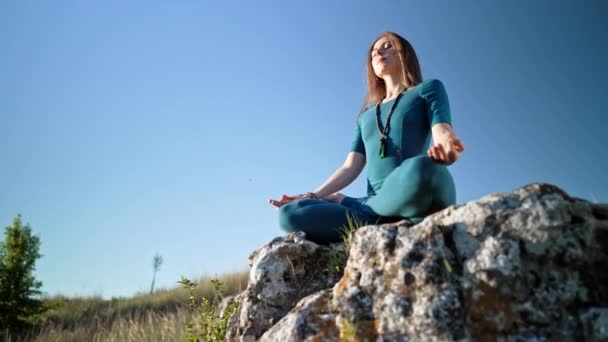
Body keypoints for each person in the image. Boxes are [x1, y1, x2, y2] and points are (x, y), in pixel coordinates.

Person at [268, 31, 465, 244]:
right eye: (373, 52)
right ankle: (379, 219)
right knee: (290, 212)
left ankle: (362, 212)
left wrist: (447, 147)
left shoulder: (427, 89)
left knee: (422, 169)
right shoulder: (366, 116)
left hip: (413, 184)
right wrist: (312, 195)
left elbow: (442, 129)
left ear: (404, 53)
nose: (378, 52)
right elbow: (350, 167)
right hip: (372, 204)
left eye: (387, 46)